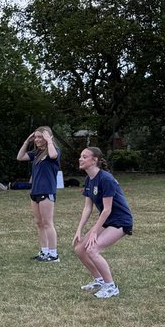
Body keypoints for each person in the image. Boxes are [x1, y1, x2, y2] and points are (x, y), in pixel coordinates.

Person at [73, 146, 133, 299]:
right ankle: (99, 280)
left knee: (92, 249)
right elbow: (88, 207)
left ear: (95, 160)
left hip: (120, 221)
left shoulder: (105, 179)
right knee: (80, 249)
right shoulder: (89, 179)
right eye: (81, 156)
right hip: (108, 220)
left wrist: (94, 231)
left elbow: (107, 209)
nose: (80, 159)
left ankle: (111, 287)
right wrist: (79, 229)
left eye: (84, 157)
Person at [16, 126, 61, 261]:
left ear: (48, 137)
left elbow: (53, 155)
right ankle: (44, 251)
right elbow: (20, 157)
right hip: (35, 191)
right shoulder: (36, 153)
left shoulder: (54, 151)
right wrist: (26, 141)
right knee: (39, 223)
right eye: (36, 137)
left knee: (47, 223)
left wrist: (49, 140)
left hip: (46, 191)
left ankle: (53, 255)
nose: (37, 139)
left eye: (40, 137)